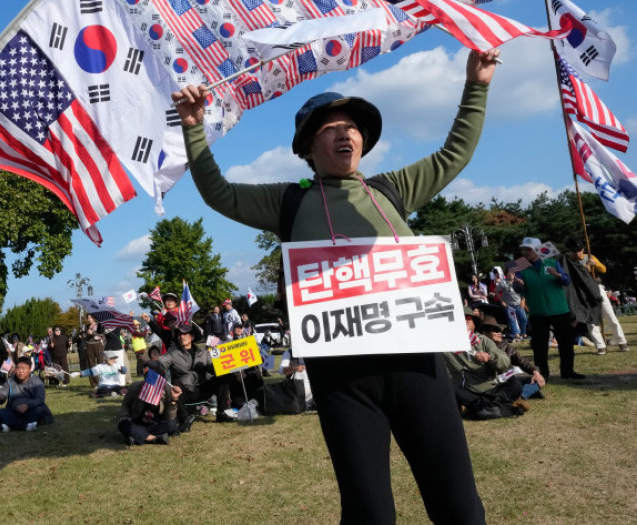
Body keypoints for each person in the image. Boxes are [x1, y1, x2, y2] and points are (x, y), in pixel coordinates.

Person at [172, 48, 500, 524]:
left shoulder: (394, 189)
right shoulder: (285, 201)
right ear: (307, 147)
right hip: (342, 379)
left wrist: (478, 84)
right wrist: (193, 126)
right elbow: (218, 192)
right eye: (330, 128)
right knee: (369, 514)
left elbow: (455, 153)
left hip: (419, 368)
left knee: (460, 508)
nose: (345, 132)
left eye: (352, 126)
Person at [515, 238, 585, 381]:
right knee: (539, 346)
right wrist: (519, 284)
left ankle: (568, 372)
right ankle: (543, 374)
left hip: (560, 310)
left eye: (529, 249)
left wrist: (558, 275)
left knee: (566, 343)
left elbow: (566, 280)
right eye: (524, 249)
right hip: (537, 312)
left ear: (538, 249)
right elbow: (517, 289)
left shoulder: (552, 263)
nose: (526, 252)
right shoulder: (520, 268)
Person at [443, 307, 527, 420]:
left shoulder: (483, 341)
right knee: (451, 389)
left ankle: (481, 409)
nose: (466, 320)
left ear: (474, 324)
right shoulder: (445, 345)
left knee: (515, 384)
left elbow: (504, 362)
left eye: (469, 318)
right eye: (462, 318)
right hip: (468, 391)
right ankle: (507, 409)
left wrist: (490, 357)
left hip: (492, 389)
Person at [568, 238, 629, 354]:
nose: (577, 253)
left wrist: (595, 264)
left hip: (597, 288)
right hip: (583, 293)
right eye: (574, 251)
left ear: (583, 249)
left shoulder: (589, 257)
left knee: (610, 315)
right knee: (591, 320)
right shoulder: (570, 263)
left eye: (579, 250)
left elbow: (604, 270)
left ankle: (622, 342)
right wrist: (584, 268)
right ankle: (600, 345)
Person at [478, 316, 545, 400]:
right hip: (491, 383)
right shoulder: (478, 348)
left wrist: (535, 372)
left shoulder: (507, 347)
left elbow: (522, 362)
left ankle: (519, 396)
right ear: (485, 332)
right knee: (514, 384)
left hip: (509, 379)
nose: (500, 333)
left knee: (536, 380)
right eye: (496, 330)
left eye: (501, 330)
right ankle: (521, 395)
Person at [117, 365, 183, 445]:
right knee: (123, 424)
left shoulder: (168, 390)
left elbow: (170, 416)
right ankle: (152, 438)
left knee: (171, 424)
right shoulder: (135, 387)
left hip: (156, 422)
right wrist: (125, 416)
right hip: (138, 421)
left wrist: (173, 399)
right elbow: (125, 404)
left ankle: (137, 438)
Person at [0, 356, 54, 431]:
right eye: (18, 368)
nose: (20, 371)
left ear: (29, 370)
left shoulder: (36, 381)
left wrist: (27, 405)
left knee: (41, 410)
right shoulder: (10, 381)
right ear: (15, 369)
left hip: (32, 410)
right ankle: (26, 426)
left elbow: (40, 399)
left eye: (23, 368)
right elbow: (2, 397)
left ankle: (11, 425)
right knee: (0, 412)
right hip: (15, 411)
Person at [495, 270, 528, 343]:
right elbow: (496, 291)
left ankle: (523, 333)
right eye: (510, 272)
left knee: (524, 319)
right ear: (506, 274)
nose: (513, 274)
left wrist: (523, 301)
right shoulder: (503, 283)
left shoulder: (519, 282)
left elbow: (524, 291)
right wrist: (501, 301)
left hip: (519, 304)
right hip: (509, 306)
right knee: (512, 320)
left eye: (513, 272)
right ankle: (517, 335)